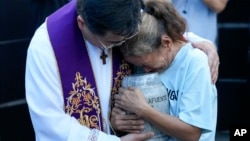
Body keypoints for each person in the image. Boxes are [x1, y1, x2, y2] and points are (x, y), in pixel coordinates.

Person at [25, 0, 218, 140]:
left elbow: (155, 33)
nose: (117, 47)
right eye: (112, 43)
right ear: (82, 24)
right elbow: (49, 122)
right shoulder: (46, 46)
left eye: (125, 39)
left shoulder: (127, 7)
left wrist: (195, 40)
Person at [111, 0, 217, 140]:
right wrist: (117, 121)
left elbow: (192, 133)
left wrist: (144, 109)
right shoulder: (146, 55)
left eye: (147, 64)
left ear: (166, 43)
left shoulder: (194, 62)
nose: (145, 71)